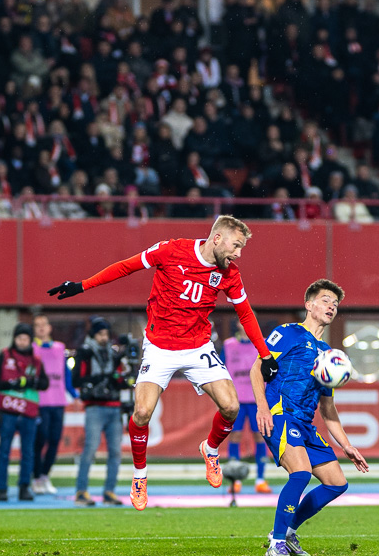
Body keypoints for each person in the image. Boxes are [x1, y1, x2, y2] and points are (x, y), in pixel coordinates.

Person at [48, 215, 279, 511]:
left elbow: (245, 313)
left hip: (197, 346)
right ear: (217, 238)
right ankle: (140, 476)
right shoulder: (172, 250)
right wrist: (82, 286)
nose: (239, 253)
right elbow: (125, 267)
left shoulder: (229, 273)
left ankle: (210, 449)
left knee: (231, 407)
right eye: (236, 246)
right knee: (142, 412)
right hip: (159, 346)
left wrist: (265, 354)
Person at [249, 279, 369, 556]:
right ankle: (276, 543)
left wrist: (347, 445)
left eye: (335, 304)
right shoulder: (288, 333)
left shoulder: (328, 355)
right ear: (309, 305)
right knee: (301, 473)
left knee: (336, 483)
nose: (332, 306)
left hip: (305, 424)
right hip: (280, 416)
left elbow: (328, 408)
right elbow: (257, 369)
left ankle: (289, 531)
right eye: (326, 300)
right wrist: (262, 408)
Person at [71, 318, 128, 507]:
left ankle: (109, 491)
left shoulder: (113, 354)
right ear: (93, 335)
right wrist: (100, 379)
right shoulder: (85, 352)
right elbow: (77, 379)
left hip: (113, 406)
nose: (104, 338)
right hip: (94, 406)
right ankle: (81, 491)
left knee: (115, 452)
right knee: (90, 450)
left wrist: (119, 379)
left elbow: (120, 379)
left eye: (106, 334)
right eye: (100, 334)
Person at [0, 323, 49, 502]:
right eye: (20, 338)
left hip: (28, 412)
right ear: (14, 339)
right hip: (8, 411)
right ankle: (2, 489)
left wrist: (33, 382)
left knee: (28, 452)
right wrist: (11, 384)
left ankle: (24, 487)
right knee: (4, 451)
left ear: (30, 340)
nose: (22, 342)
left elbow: (45, 383)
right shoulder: (3, 356)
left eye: (26, 339)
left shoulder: (36, 360)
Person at [220, 325, 270, 494]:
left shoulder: (263, 344)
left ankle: (260, 479)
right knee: (235, 436)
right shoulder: (229, 345)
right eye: (243, 322)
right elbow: (220, 371)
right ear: (238, 324)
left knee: (260, 436)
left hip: (258, 399)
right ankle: (235, 481)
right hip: (236, 399)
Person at [31, 313, 74, 495]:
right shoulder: (32, 348)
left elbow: (66, 373)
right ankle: (35, 477)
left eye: (44, 324)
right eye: (37, 325)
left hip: (58, 401)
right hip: (40, 402)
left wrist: (74, 393)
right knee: (40, 440)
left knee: (55, 440)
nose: (41, 327)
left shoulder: (60, 347)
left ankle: (45, 476)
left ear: (49, 328)